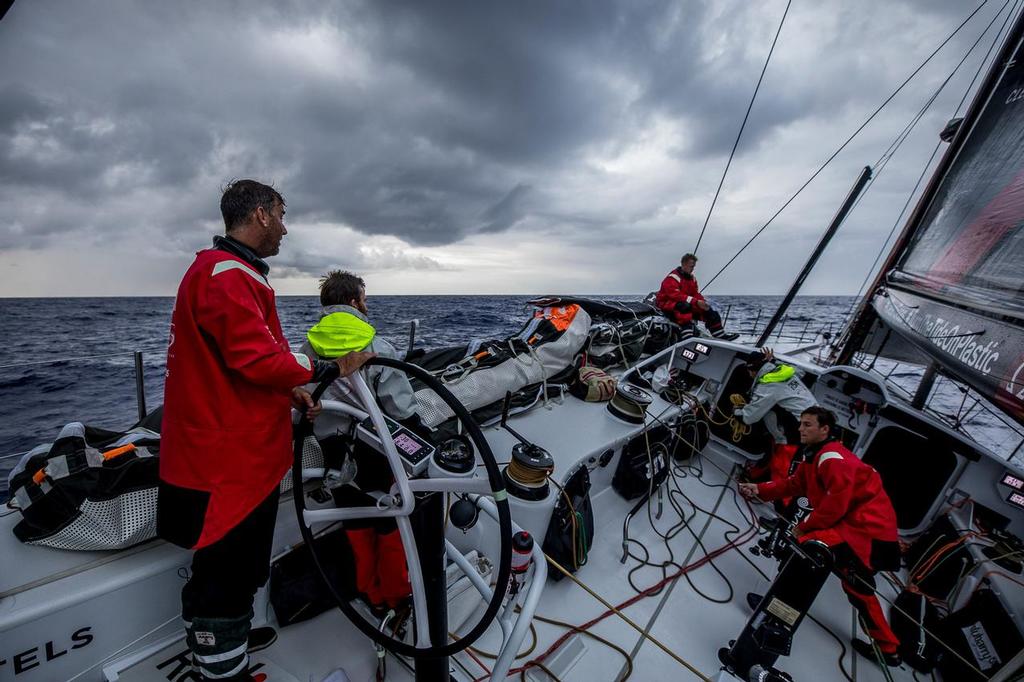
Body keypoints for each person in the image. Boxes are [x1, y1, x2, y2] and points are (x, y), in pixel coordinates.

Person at [158, 179, 373, 682]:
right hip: (226, 465)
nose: (284, 227)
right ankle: (220, 662)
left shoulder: (226, 272)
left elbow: (238, 364)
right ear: (260, 214)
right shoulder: (226, 276)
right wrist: (328, 370)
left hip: (239, 455)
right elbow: (256, 357)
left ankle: (224, 637)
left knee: (236, 563)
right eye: (281, 214)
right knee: (225, 571)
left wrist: (289, 392)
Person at [739, 407, 902, 668]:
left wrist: (805, 527)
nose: (801, 429)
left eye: (808, 425)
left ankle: (777, 609)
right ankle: (889, 648)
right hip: (855, 528)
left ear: (824, 430)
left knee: (808, 550)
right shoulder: (815, 456)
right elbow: (795, 485)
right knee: (856, 588)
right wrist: (759, 489)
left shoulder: (832, 459)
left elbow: (837, 504)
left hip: (867, 534)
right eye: (801, 424)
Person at [301, 270, 416, 609]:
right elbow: (400, 407)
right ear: (354, 302)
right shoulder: (376, 346)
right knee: (389, 519)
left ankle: (369, 591)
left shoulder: (305, 348)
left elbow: (300, 401)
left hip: (331, 451)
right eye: (364, 300)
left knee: (353, 518)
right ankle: (396, 594)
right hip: (375, 452)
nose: (366, 306)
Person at [734, 348, 818, 485]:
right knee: (775, 447)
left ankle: (780, 499)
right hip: (815, 419)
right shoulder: (782, 370)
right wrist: (772, 361)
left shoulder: (768, 385)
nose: (749, 375)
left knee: (784, 460)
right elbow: (801, 372)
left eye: (749, 371)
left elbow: (749, 418)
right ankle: (758, 477)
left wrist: (737, 412)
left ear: (753, 370)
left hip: (800, 428)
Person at [655, 253, 738, 340]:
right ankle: (687, 336)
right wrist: (695, 301)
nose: (693, 269)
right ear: (683, 264)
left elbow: (695, 293)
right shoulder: (672, 278)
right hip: (667, 305)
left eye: (694, 266)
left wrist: (702, 303)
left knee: (709, 311)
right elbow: (675, 295)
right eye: (691, 266)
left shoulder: (692, 279)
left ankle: (720, 335)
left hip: (686, 302)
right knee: (684, 307)